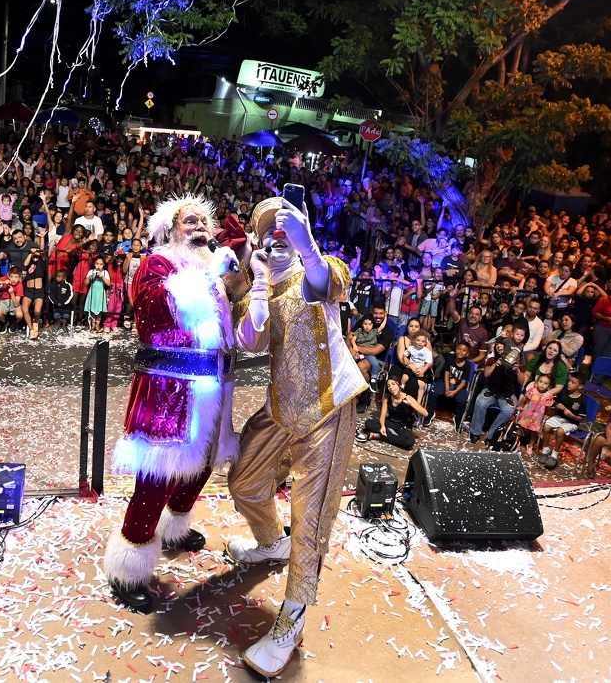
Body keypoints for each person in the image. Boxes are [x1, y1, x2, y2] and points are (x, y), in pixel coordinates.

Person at [225, 196, 367, 678]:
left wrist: (308, 249)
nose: (279, 235)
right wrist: (256, 285)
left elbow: (328, 284)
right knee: (244, 481)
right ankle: (271, 542)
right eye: (270, 230)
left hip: (328, 407)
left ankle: (291, 623)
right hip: (281, 407)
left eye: (287, 227)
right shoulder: (262, 285)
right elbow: (250, 340)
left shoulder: (319, 267)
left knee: (309, 521)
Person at [102, 194, 241, 614]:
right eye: (190, 221)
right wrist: (209, 275)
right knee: (158, 478)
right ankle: (127, 568)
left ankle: (175, 527)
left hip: (213, 385)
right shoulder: (156, 264)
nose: (200, 229)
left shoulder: (212, 272)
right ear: (170, 230)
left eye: (204, 222)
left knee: (203, 465)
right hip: (169, 389)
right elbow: (157, 312)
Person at [467, 338, 524, 445]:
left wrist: (517, 370)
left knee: (508, 410)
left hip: (507, 393)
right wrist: (495, 364)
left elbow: (521, 381)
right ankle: (475, 432)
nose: (499, 347)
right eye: (497, 345)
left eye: (502, 346)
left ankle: (492, 435)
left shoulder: (516, 361)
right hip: (491, 390)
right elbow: (486, 374)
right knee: (481, 402)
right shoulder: (492, 359)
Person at [536, 371, 589, 470]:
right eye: (569, 381)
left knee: (560, 431)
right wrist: (557, 407)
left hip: (572, 422)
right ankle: (546, 449)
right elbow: (555, 405)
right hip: (559, 418)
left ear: (580, 386)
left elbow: (581, 418)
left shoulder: (582, 400)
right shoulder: (563, 393)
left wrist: (571, 415)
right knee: (546, 426)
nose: (569, 383)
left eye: (573, 382)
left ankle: (555, 454)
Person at [361, 378, 429, 449]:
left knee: (409, 441)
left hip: (403, 426)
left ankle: (380, 436)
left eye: (393, 384)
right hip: (390, 423)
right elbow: (383, 415)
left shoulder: (407, 397)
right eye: (388, 386)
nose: (391, 387)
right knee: (368, 423)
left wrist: (410, 403)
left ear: (399, 385)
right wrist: (382, 426)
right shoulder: (387, 398)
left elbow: (425, 413)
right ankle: (391, 435)